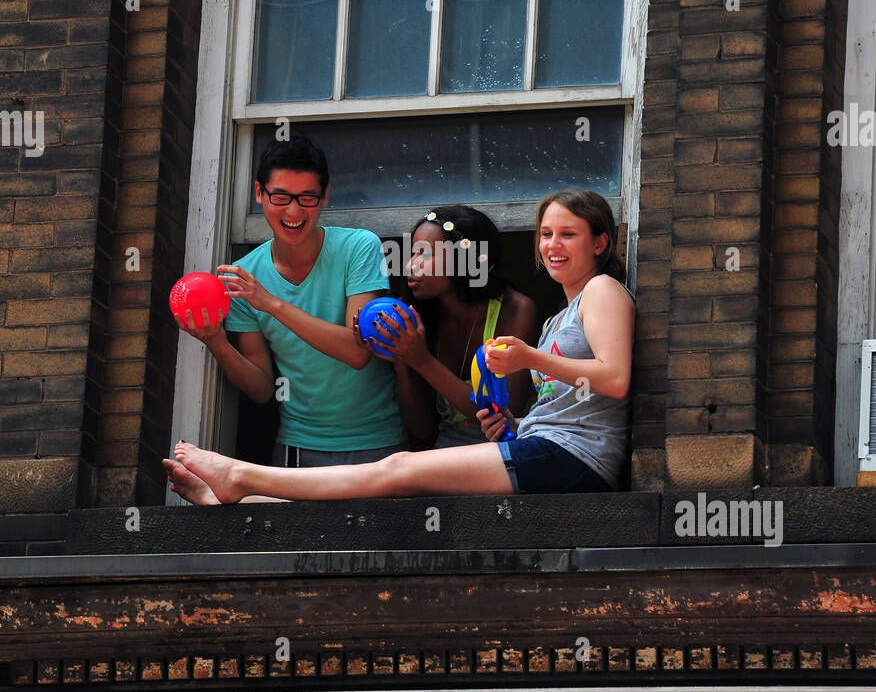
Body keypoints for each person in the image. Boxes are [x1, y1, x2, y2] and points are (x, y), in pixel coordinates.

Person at [163, 188, 634, 503]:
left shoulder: (601, 291)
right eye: (546, 234)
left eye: (568, 234)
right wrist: (508, 422)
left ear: (600, 243)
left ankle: (241, 477)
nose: (553, 244)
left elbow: (614, 379)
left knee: (397, 468)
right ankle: (246, 499)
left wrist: (527, 357)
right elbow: (558, 405)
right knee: (391, 490)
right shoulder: (558, 317)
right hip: (544, 447)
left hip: (573, 456)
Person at [174, 135, 405, 466]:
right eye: (280, 197)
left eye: (307, 198)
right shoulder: (245, 279)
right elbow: (262, 389)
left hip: (379, 442)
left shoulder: (359, 247)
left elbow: (357, 352)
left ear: (324, 196)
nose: (293, 211)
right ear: (259, 194)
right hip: (298, 447)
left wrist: (271, 303)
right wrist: (217, 343)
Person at [361, 205, 539, 449]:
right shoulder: (421, 314)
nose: (410, 266)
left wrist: (423, 361)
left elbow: (504, 417)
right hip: (445, 448)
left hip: (502, 448)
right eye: (413, 254)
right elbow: (421, 430)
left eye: (425, 254)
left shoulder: (516, 310)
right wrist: (403, 362)